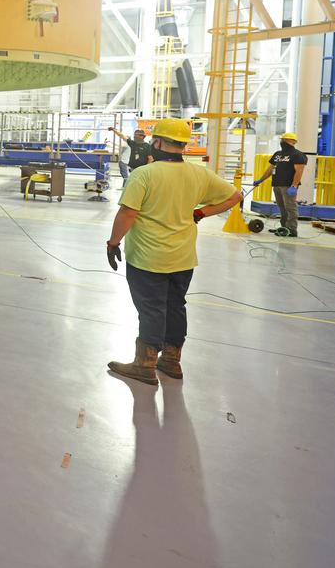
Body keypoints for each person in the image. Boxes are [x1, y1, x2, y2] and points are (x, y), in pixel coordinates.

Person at [104, 118, 242, 386]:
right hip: (183, 257)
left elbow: (128, 212)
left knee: (151, 309)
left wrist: (113, 242)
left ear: (156, 142)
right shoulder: (199, 174)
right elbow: (235, 196)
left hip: (148, 258)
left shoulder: (144, 174)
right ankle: (171, 361)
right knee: (176, 307)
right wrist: (200, 212)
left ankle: (144, 365)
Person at [253, 132, 307, 238]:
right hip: (277, 184)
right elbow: (270, 169)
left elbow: (299, 171)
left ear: (293, 142)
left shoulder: (298, 155)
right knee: (282, 207)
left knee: (290, 207)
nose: (283, 142)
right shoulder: (278, 154)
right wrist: (261, 180)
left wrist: (294, 186)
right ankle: (284, 228)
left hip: (288, 185)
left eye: (285, 140)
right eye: (282, 140)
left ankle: (292, 230)